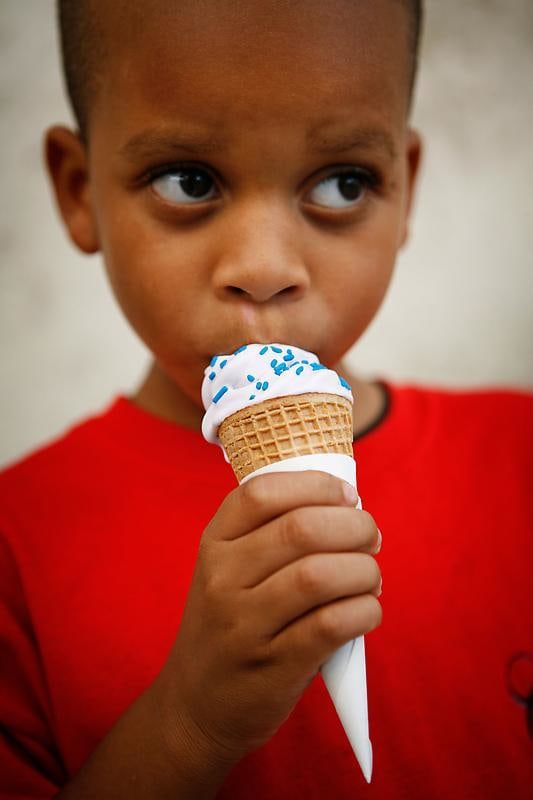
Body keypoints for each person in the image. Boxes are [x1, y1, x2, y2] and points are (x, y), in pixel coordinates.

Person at [0, 0, 531, 797]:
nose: (263, 265)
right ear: (80, 192)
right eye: (189, 180)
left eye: (343, 182)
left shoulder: (517, 455)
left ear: (405, 190)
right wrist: (190, 725)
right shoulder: (16, 546)